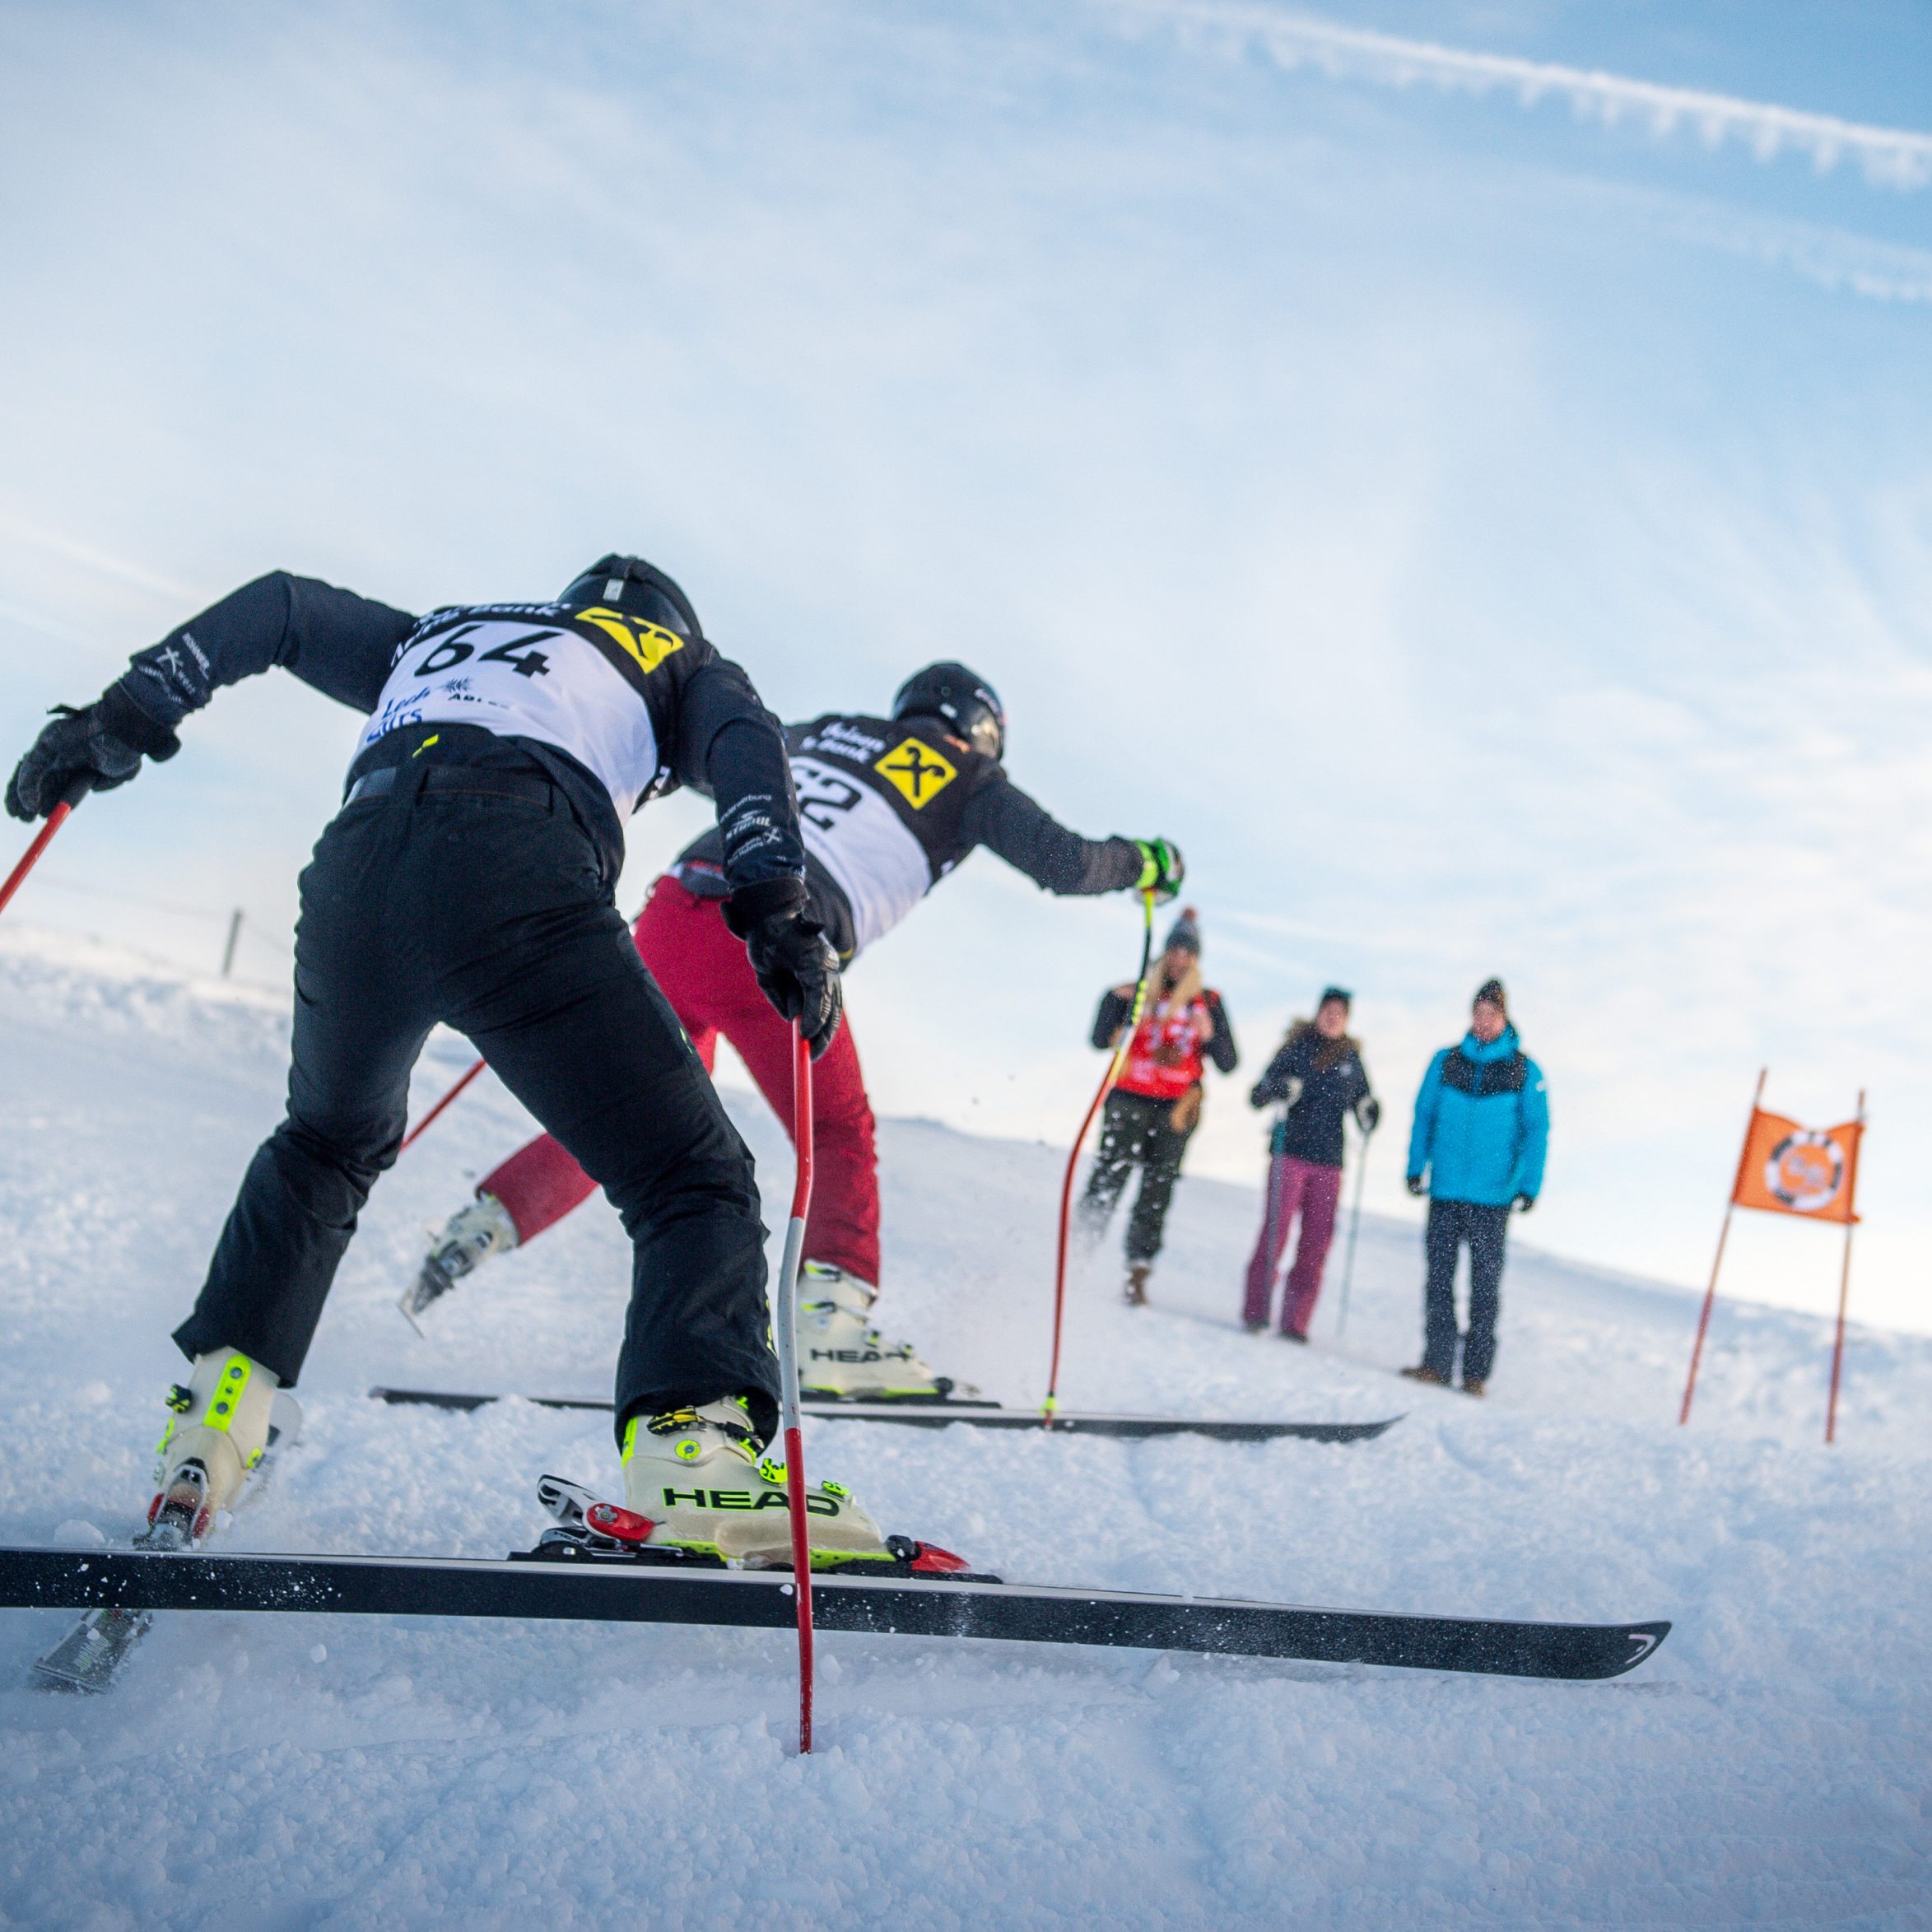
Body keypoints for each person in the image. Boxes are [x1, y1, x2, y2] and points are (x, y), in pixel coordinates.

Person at [6, 556, 903, 1567]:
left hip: (357, 871)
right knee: (688, 1177)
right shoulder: (676, 656)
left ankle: (220, 1416)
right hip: (518, 863)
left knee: (325, 1144)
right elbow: (745, 741)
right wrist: (777, 899)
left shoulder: (445, 628)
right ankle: (694, 1454)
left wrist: (120, 715)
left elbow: (284, 607)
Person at [408, 661, 1185, 1399]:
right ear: (981, 731)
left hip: (674, 912)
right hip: (772, 934)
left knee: (641, 1117)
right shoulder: (970, 777)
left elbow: (719, 753)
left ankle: (485, 1224)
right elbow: (1063, 860)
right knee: (840, 1128)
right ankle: (830, 1327)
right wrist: (1146, 861)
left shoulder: (825, 731)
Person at [1079, 907, 1237, 1303]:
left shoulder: (1209, 1002)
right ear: (1165, 953)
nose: (1181, 959)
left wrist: (1212, 1035)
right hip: (1129, 1098)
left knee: (1157, 1189)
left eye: (1189, 952)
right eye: (1176, 950)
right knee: (1109, 1177)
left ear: (1197, 959)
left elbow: (1229, 1062)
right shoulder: (1136, 992)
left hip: (1176, 1109)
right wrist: (1112, 1004)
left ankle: (1138, 1271)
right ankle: (1076, 1252)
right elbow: (1100, 1039)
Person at [1400, 978, 1549, 1397]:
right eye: (1479, 1012)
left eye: (1492, 1013)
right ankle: (1436, 1362)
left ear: (1504, 1017)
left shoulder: (1524, 1070)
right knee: (1439, 1279)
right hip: (1445, 1189)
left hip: (1493, 1197)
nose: (1484, 1021)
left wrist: (1529, 1184)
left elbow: (1536, 1131)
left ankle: (1475, 1374)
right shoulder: (1445, 1062)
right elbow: (1424, 1114)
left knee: (1484, 1286)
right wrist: (1416, 1166)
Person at [1241, 987, 1378, 1341]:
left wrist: (1369, 1112)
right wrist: (1280, 1089)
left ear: (1347, 1020)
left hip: (1329, 1162)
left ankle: (1295, 1321)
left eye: (1340, 1013)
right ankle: (1257, 1312)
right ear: (1318, 1012)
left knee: (1317, 1242)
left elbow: (1363, 1100)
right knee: (1276, 1231)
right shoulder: (1295, 1048)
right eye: (1328, 1010)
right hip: (1289, 1153)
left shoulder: (1351, 1059)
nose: (1333, 1017)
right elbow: (1258, 1094)